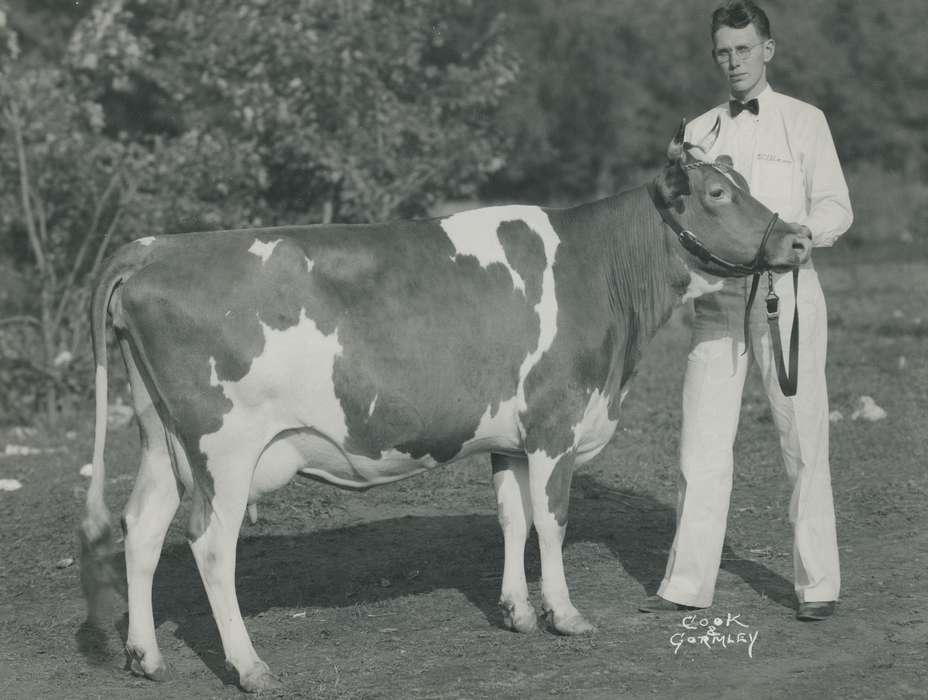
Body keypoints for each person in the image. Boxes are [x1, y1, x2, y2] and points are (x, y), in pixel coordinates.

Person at [639, 0, 853, 621]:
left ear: (768, 50)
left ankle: (818, 584)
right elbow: (673, 216)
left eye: (743, 49)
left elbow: (838, 206)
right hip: (719, 300)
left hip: (788, 294)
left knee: (802, 438)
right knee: (701, 443)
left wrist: (807, 233)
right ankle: (686, 583)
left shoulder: (805, 121)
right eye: (723, 52)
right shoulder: (696, 133)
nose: (733, 62)